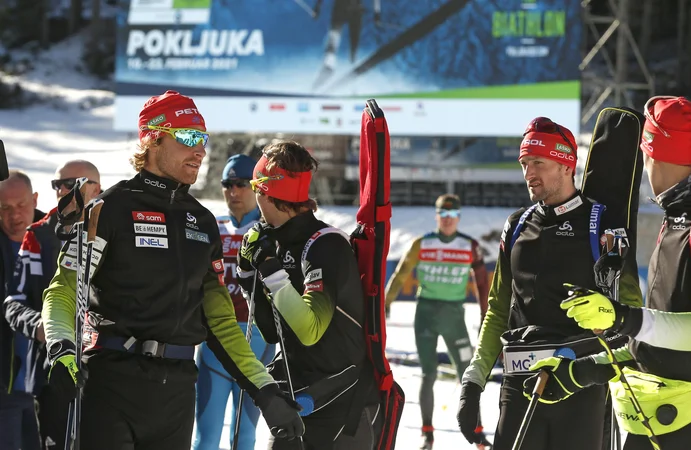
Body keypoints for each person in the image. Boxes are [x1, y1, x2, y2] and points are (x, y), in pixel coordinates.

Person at [41, 90, 304, 450]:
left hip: (177, 391)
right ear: (153, 139)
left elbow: (220, 321)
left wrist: (264, 390)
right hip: (111, 384)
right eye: (190, 138)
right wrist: (61, 349)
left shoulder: (202, 220)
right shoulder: (108, 209)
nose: (201, 151)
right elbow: (64, 288)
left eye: (204, 140)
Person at [527, 97, 691, 450]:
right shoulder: (678, 217)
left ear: (652, 154)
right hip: (658, 416)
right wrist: (583, 370)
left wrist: (621, 317)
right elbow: (657, 338)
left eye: (645, 156)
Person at [456, 117, 642, 450]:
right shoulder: (517, 224)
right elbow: (499, 307)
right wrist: (473, 381)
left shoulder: (601, 222)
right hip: (519, 383)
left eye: (538, 162)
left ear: (567, 164)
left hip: (577, 384)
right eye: (525, 163)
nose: (529, 173)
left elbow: (630, 313)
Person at [237, 140, 380, 450]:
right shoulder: (274, 242)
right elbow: (271, 331)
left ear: (264, 192)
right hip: (298, 397)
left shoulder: (324, 244)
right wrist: (248, 274)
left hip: (341, 405)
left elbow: (309, 330)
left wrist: (270, 271)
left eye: (253, 188)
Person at [3, 161, 101, 450]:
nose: (66, 191)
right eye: (59, 185)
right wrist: (42, 326)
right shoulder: (39, 234)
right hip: (53, 371)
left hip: (108, 370)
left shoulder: (121, 229)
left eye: (75, 183)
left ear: (98, 188)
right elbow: (13, 302)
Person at [384, 194, 491, 450]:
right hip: (426, 317)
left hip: (455, 318)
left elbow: (482, 284)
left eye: (452, 216)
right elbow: (400, 275)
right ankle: (427, 433)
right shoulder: (422, 243)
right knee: (428, 373)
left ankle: (477, 431)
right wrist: (385, 304)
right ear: (437, 216)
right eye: (443, 215)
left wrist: (485, 315)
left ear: (459, 218)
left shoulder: (469, 245)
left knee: (469, 373)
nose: (447, 221)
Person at [193, 154, 275, 450]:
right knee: (206, 437)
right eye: (228, 184)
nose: (233, 191)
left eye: (241, 184)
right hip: (214, 342)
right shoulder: (210, 227)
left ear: (256, 187)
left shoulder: (271, 231)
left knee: (244, 437)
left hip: (258, 343)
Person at [0, 170, 45, 450]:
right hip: (5, 385)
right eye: (3, 208)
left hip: (48, 384)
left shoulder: (53, 236)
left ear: (35, 200)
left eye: (21, 206)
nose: (14, 216)